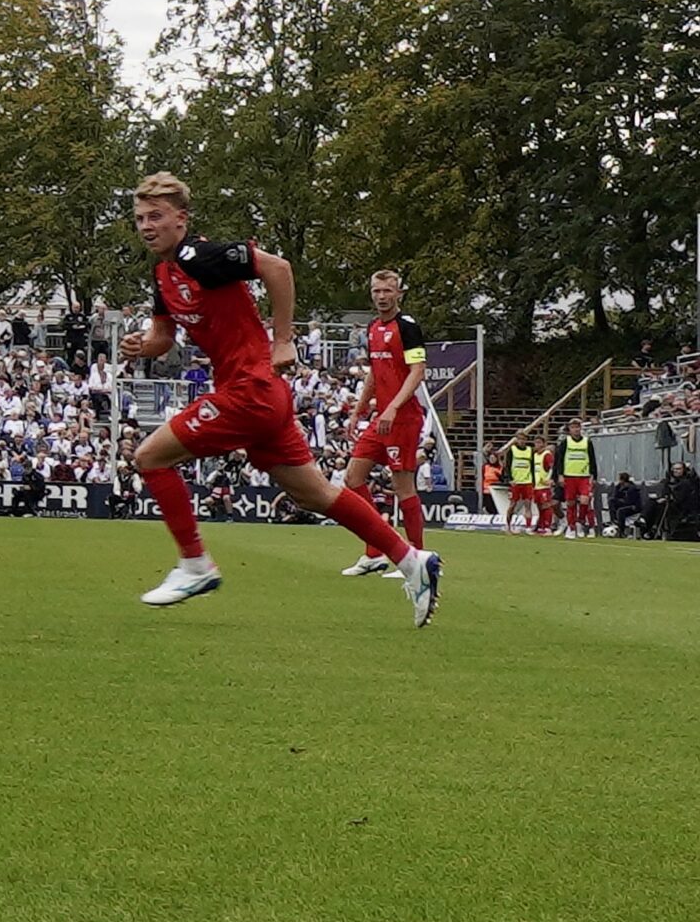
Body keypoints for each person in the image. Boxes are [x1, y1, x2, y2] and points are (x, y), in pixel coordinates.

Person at [113, 172, 441, 625]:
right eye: (139, 218)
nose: (146, 226)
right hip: (260, 397)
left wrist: (283, 339)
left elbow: (278, 268)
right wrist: (141, 345)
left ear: (181, 220)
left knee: (150, 457)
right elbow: (163, 337)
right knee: (316, 494)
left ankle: (195, 564)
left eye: (156, 216)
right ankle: (411, 560)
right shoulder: (163, 273)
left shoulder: (201, 256)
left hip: (249, 392)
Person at [338, 270, 431, 577]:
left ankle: (416, 557)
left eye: (387, 291)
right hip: (382, 417)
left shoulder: (407, 327)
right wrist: (358, 411)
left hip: (403, 418)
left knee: (402, 485)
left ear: (398, 294)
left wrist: (391, 408)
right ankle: (374, 551)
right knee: (353, 477)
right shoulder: (373, 328)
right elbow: (375, 374)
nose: (381, 296)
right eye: (376, 290)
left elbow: (418, 371)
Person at [554, 417, 599, 538]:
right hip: (569, 475)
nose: (576, 430)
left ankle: (580, 521)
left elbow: (592, 459)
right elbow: (560, 460)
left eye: (577, 427)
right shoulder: (565, 442)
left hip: (583, 476)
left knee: (585, 500)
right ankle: (571, 527)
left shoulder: (587, 442)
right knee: (571, 503)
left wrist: (594, 476)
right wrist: (560, 475)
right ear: (569, 429)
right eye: (573, 427)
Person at [503, 435, 541, 534]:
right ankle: (508, 525)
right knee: (512, 504)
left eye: (523, 439)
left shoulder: (529, 450)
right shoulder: (512, 450)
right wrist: (509, 479)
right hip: (516, 481)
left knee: (528, 504)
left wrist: (533, 480)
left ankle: (528, 527)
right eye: (520, 439)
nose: (521, 441)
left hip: (527, 481)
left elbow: (532, 466)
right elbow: (507, 465)